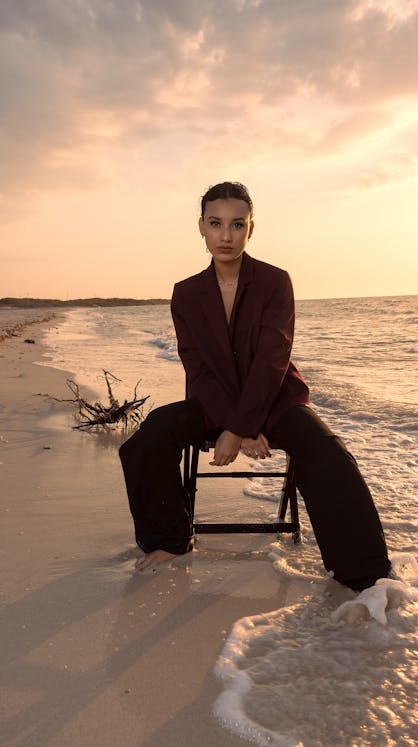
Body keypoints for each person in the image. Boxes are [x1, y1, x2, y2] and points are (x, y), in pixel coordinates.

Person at [119, 181, 391, 590]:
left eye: (236, 225)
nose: (225, 236)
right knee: (149, 437)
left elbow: (272, 361)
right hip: (212, 404)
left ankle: (365, 575)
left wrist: (240, 428)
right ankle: (170, 541)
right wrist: (233, 426)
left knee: (328, 452)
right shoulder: (186, 293)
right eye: (216, 224)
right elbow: (196, 365)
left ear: (251, 228)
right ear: (201, 227)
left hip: (275, 400)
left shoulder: (275, 281)